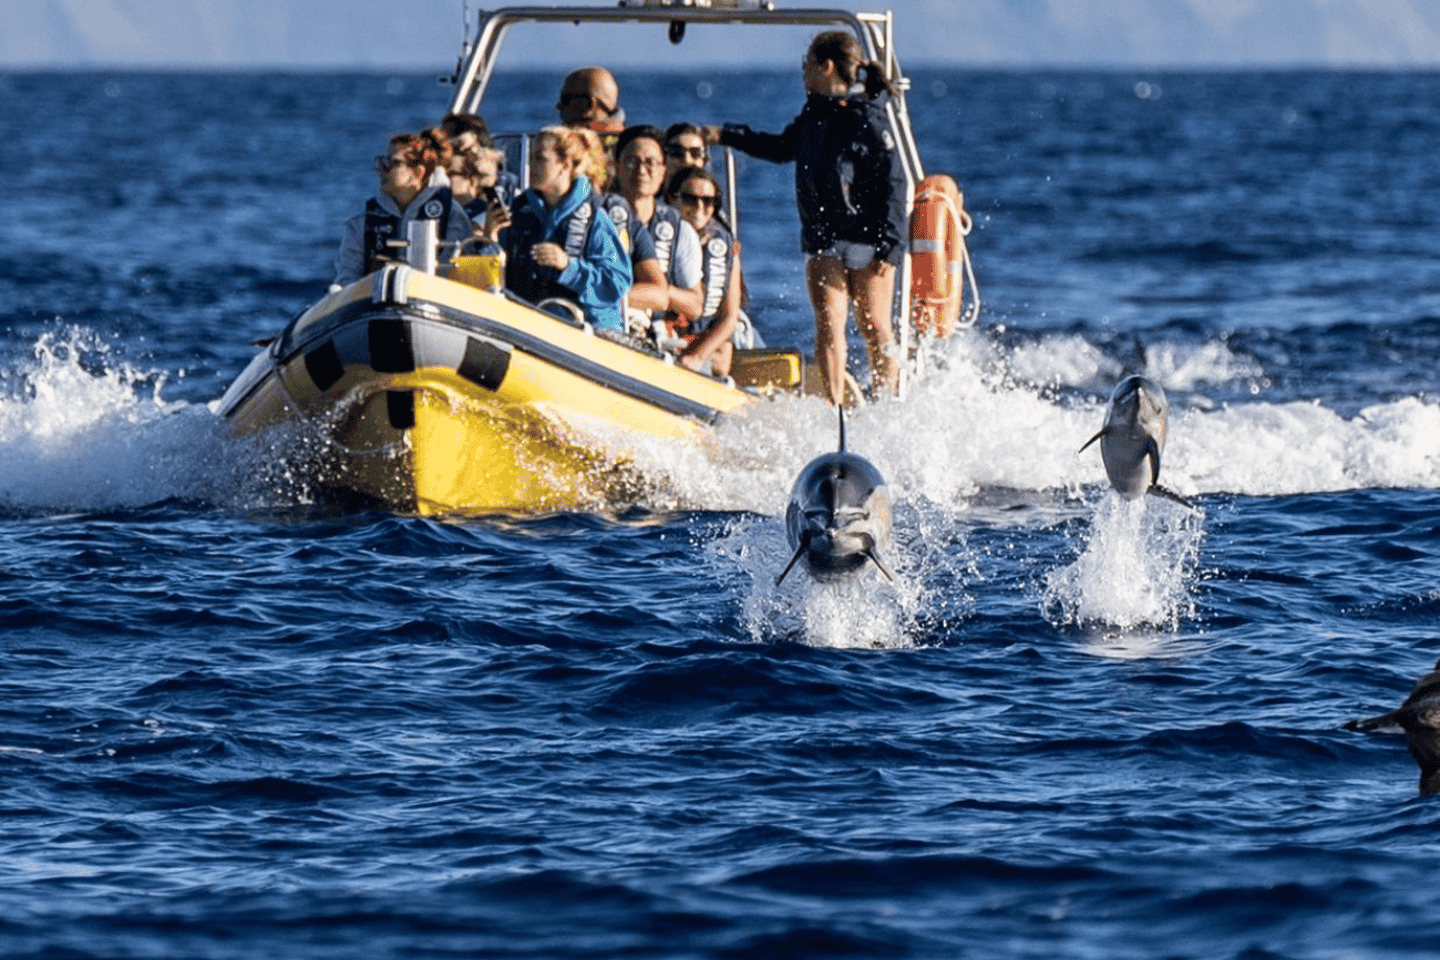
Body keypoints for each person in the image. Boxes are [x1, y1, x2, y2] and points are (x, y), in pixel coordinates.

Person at [706, 31, 907, 404]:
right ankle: (836, 409)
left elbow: (895, 183)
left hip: (869, 240)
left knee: (873, 325)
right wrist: (726, 136)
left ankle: (889, 402)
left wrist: (891, 246)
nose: (803, 73)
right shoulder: (813, 116)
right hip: (823, 238)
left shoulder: (868, 117)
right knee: (830, 321)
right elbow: (782, 147)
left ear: (825, 66)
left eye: (807, 65)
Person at [480, 126, 630, 332]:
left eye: (540, 159)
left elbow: (617, 283)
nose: (530, 165)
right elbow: (498, 276)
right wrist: (491, 237)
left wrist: (569, 266)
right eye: (530, 158)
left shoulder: (596, 219)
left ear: (564, 165)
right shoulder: (519, 211)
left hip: (588, 330)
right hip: (531, 322)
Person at [333, 128, 472, 288]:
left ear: (418, 173)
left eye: (394, 163)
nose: (383, 168)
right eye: (383, 161)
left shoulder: (452, 217)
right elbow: (347, 280)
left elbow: (454, 278)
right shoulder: (361, 223)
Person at [613, 125, 704, 326]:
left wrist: (656, 292)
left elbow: (696, 305)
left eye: (650, 162)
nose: (641, 170)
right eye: (631, 161)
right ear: (616, 167)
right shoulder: (595, 218)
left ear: (663, 171)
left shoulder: (680, 230)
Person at [666, 167, 740, 377]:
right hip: (664, 330)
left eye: (708, 201)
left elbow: (729, 316)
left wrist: (697, 357)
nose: (700, 207)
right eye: (690, 199)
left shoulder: (726, 246)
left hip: (702, 336)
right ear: (673, 199)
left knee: (722, 355)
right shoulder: (657, 235)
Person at [556, 67, 625, 137]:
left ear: (590, 104)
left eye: (565, 99)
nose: (558, 106)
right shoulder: (625, 142)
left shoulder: (569, 144)